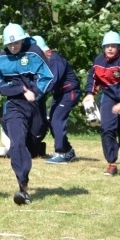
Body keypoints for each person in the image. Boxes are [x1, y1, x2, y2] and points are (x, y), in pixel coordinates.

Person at [0, 23, 54, 205]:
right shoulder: (2, 57)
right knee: (17, 143)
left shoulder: (34, 52)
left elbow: (47, 76)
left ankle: (33, 149)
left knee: (33, 141)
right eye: (10, 44)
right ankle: (23, 187)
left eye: (16, 43)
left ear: (23, 39)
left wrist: (34, 92)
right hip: (14, 104)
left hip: (34, 104)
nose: (13, 47)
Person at [82, 31, 120, 176]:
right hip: (109, 97)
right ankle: (112, 163)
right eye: (107, 46)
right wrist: (90, 93)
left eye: (113, 46)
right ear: (103, 47)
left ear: (119, 48)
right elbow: (93, 78)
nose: (110, 49)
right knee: (107, 129)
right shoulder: (98, 61)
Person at [31, 36, 82, 164]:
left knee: (57, 120)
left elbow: (51, 82)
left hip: (69, 92)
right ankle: (68, 150)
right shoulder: (44, 60)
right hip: (59, 94)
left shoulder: (54, 60)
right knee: (52, 120)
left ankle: (61, 153)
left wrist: (35, 96)